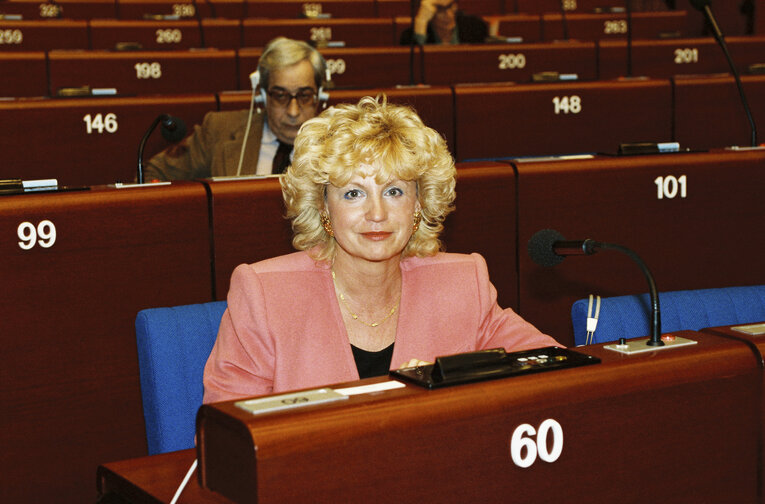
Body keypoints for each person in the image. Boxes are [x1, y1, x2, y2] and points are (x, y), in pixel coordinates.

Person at [202, 96, 560, 403]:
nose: (377, 213)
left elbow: (553, 368)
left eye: (394, 191)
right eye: (353, 193)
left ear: (418, 204)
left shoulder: (463, 284)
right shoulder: (265, 294)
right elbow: (229, 432)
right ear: (324, 207)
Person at [143, 37, 327, 181]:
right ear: (262, 95)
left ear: (318, 95)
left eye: (304, 96)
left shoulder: (342, 144)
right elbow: (154, 174)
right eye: (280, 96)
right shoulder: (219, 130)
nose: (293, 112)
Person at [399, 0, 488, 45]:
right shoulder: (409, 36)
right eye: (440, 9)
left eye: (450, 6)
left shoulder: (475, 27)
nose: (448, 14)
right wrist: (421, 23)